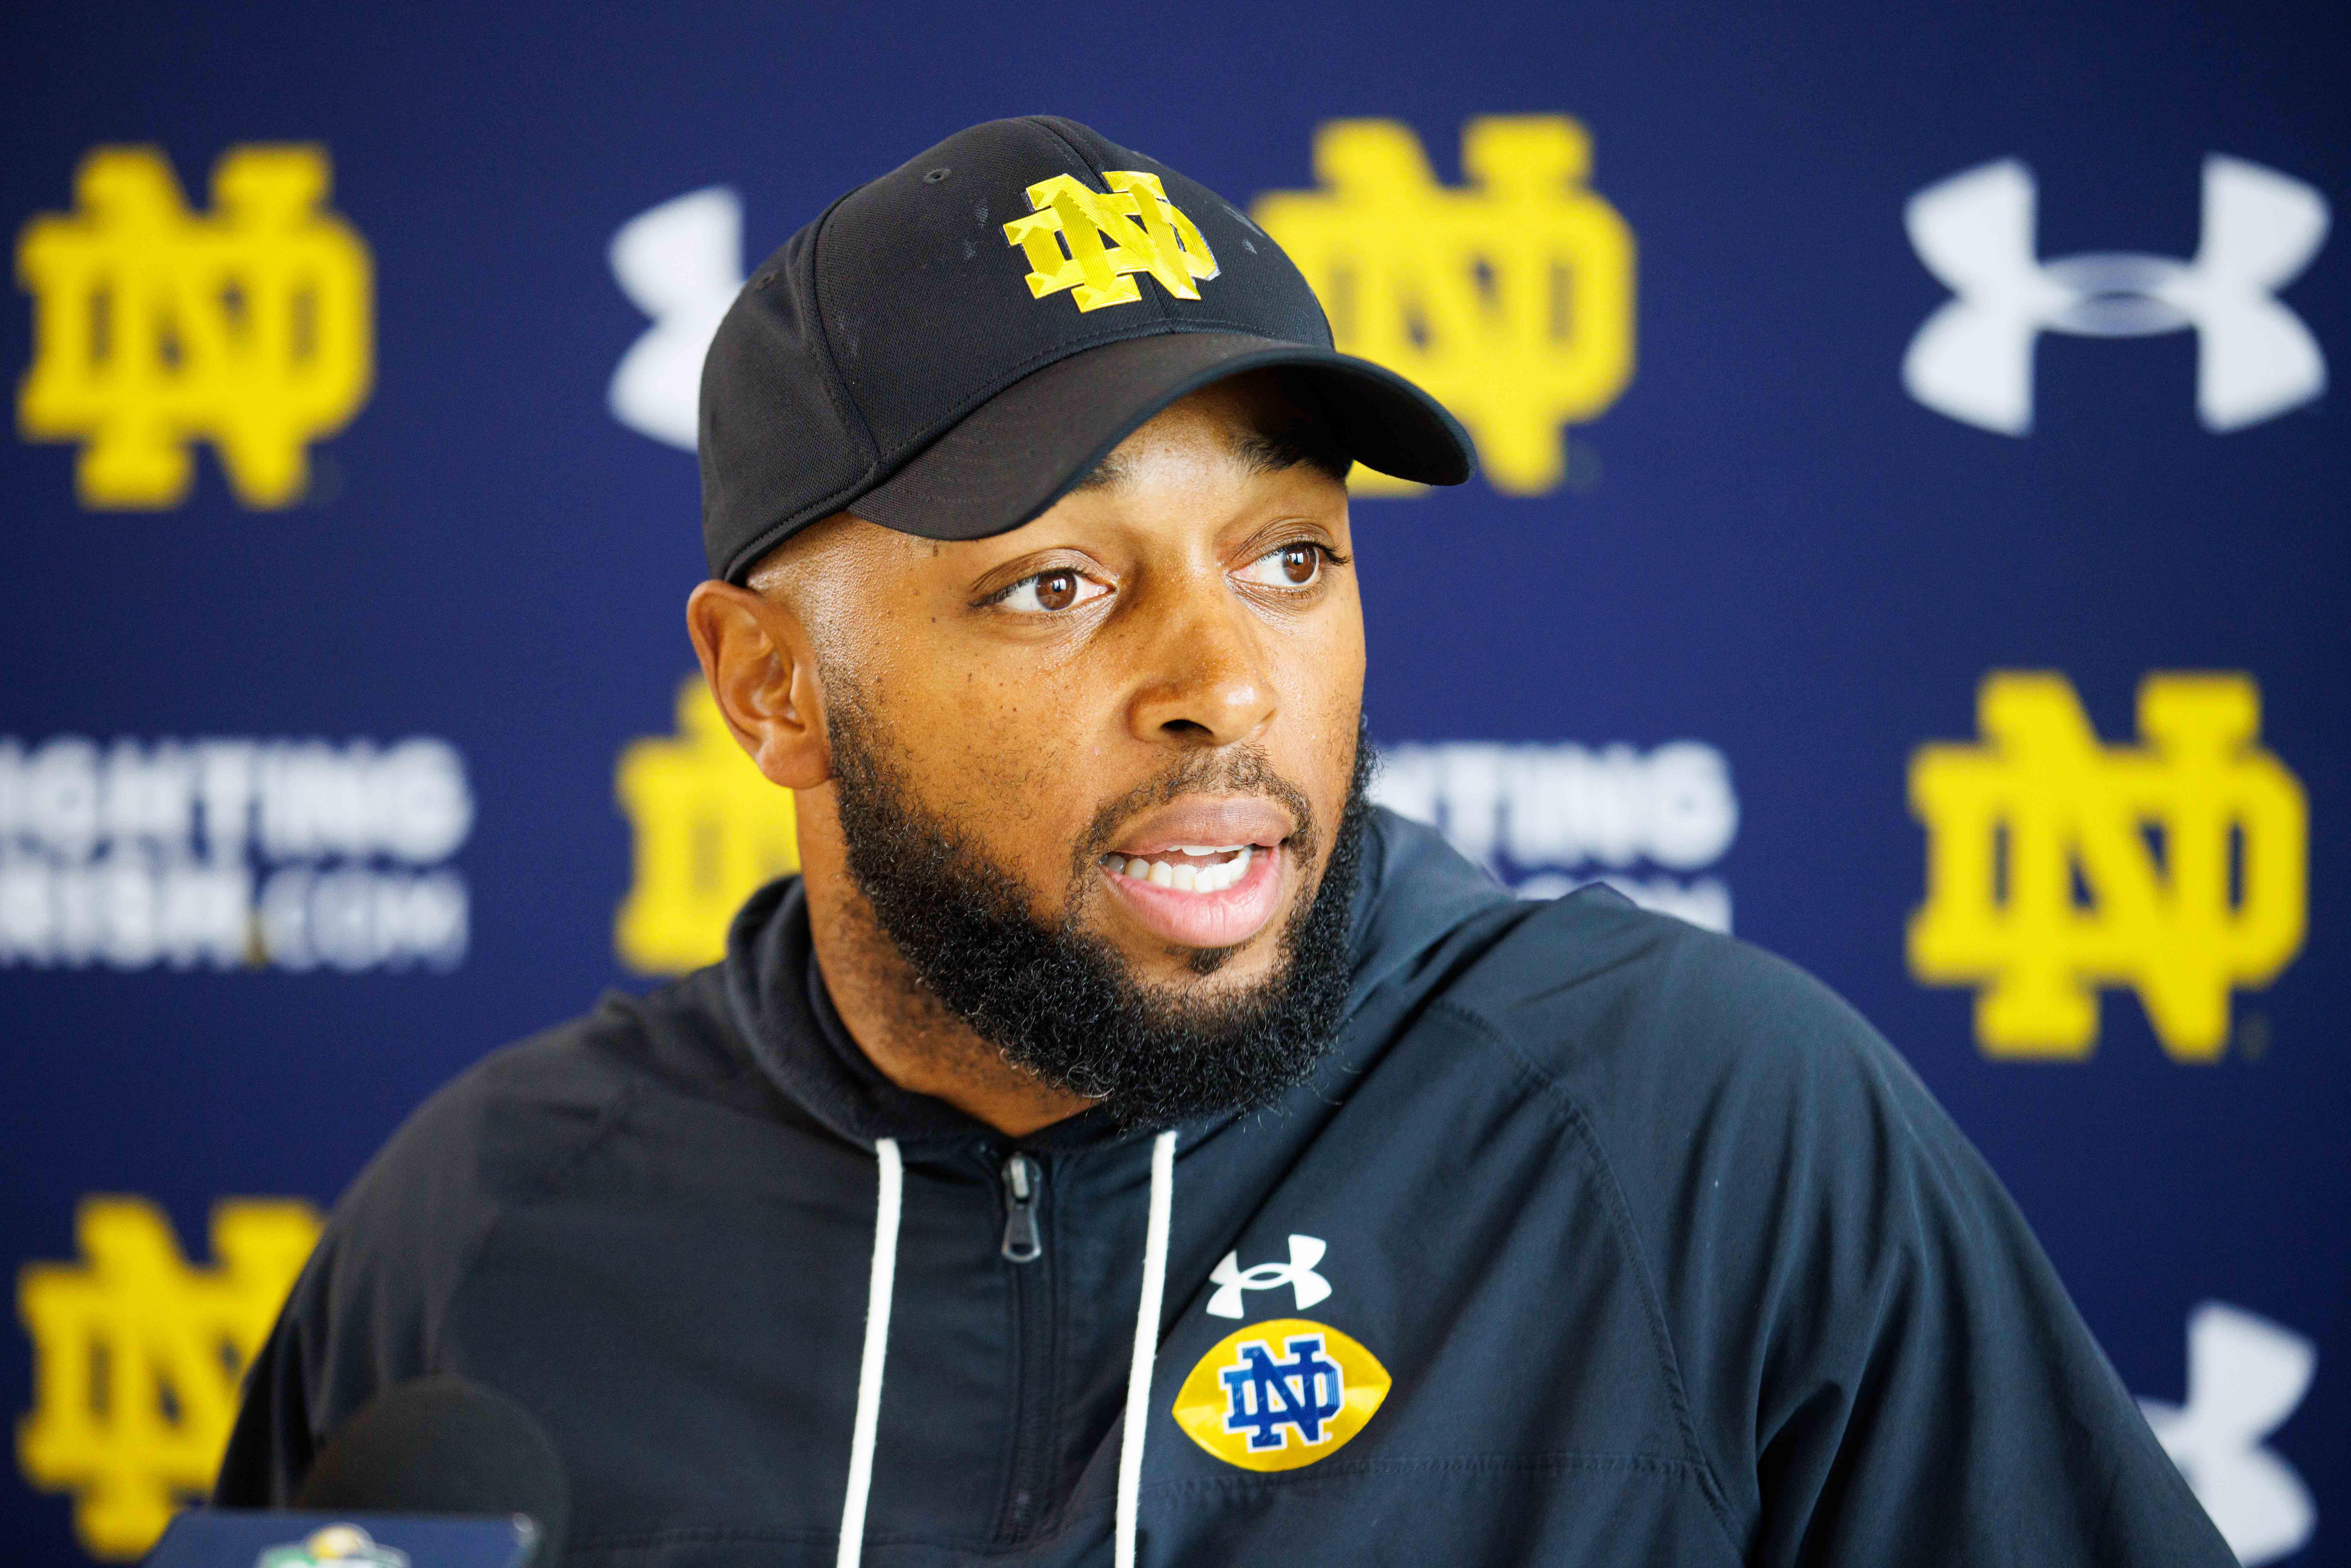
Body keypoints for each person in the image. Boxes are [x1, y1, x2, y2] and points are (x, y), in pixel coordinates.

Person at [218, 116, 2230, 1567]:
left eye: (1289, 557)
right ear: (768, 686)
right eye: (1057, 587)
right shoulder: (471, 1233)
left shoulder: (1702, 1132)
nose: (1229, 683)